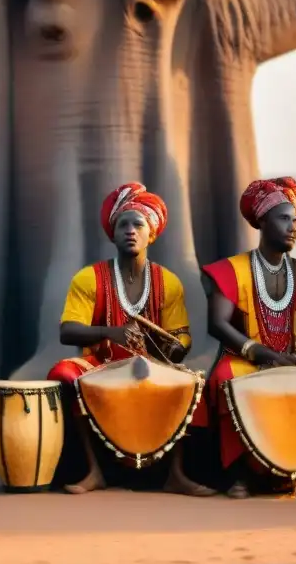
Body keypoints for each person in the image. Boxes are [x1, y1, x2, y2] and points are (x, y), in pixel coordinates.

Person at [47, 182, 213, 497]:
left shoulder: (169, 282)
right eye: (122, 224)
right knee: (63, 374)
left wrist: (177, 347)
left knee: (195, 383)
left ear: (151, 233)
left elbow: (182, 337)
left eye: (138, 224)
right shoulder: (89, 278)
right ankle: (93, 471)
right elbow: (67, 330)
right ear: (113, 233)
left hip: (152, 365)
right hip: (100, 364)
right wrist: (112, 332)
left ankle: (176, 474)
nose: (130, 230)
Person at [193, 177, 296, 499]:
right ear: (262, 221)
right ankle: (240, 475)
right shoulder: (231, 270)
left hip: (293, 359)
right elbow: (217, 324)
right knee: (226, 378)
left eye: (295, 220)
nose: (292, 227)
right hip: (245, 359)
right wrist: (261, 353)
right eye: (284, 218)